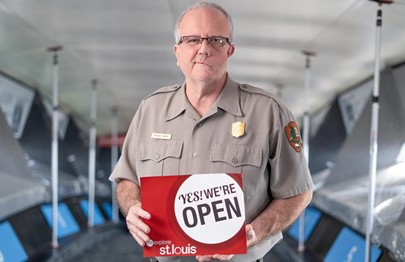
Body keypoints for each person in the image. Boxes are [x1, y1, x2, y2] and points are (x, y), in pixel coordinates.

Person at [109, 2, 313, 261]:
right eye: (192, 39)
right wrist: (133, 209)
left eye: (216, 40)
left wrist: (254, 233)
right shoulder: (150, 110)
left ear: (230, 50)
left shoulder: (269, 112)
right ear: (177, 51)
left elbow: (298, 192)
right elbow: (127, 179)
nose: (204, 49)